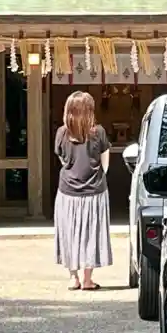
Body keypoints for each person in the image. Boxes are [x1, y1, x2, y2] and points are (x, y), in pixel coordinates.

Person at [54, 91, 112, 291]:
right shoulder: (99, 132)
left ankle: (73, 277)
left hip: (67, 191)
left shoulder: (61, 133)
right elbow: (105, 164)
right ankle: (88, 279)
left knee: (69, 232)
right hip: (94, 191)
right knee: (91, 233)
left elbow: (62, 159)